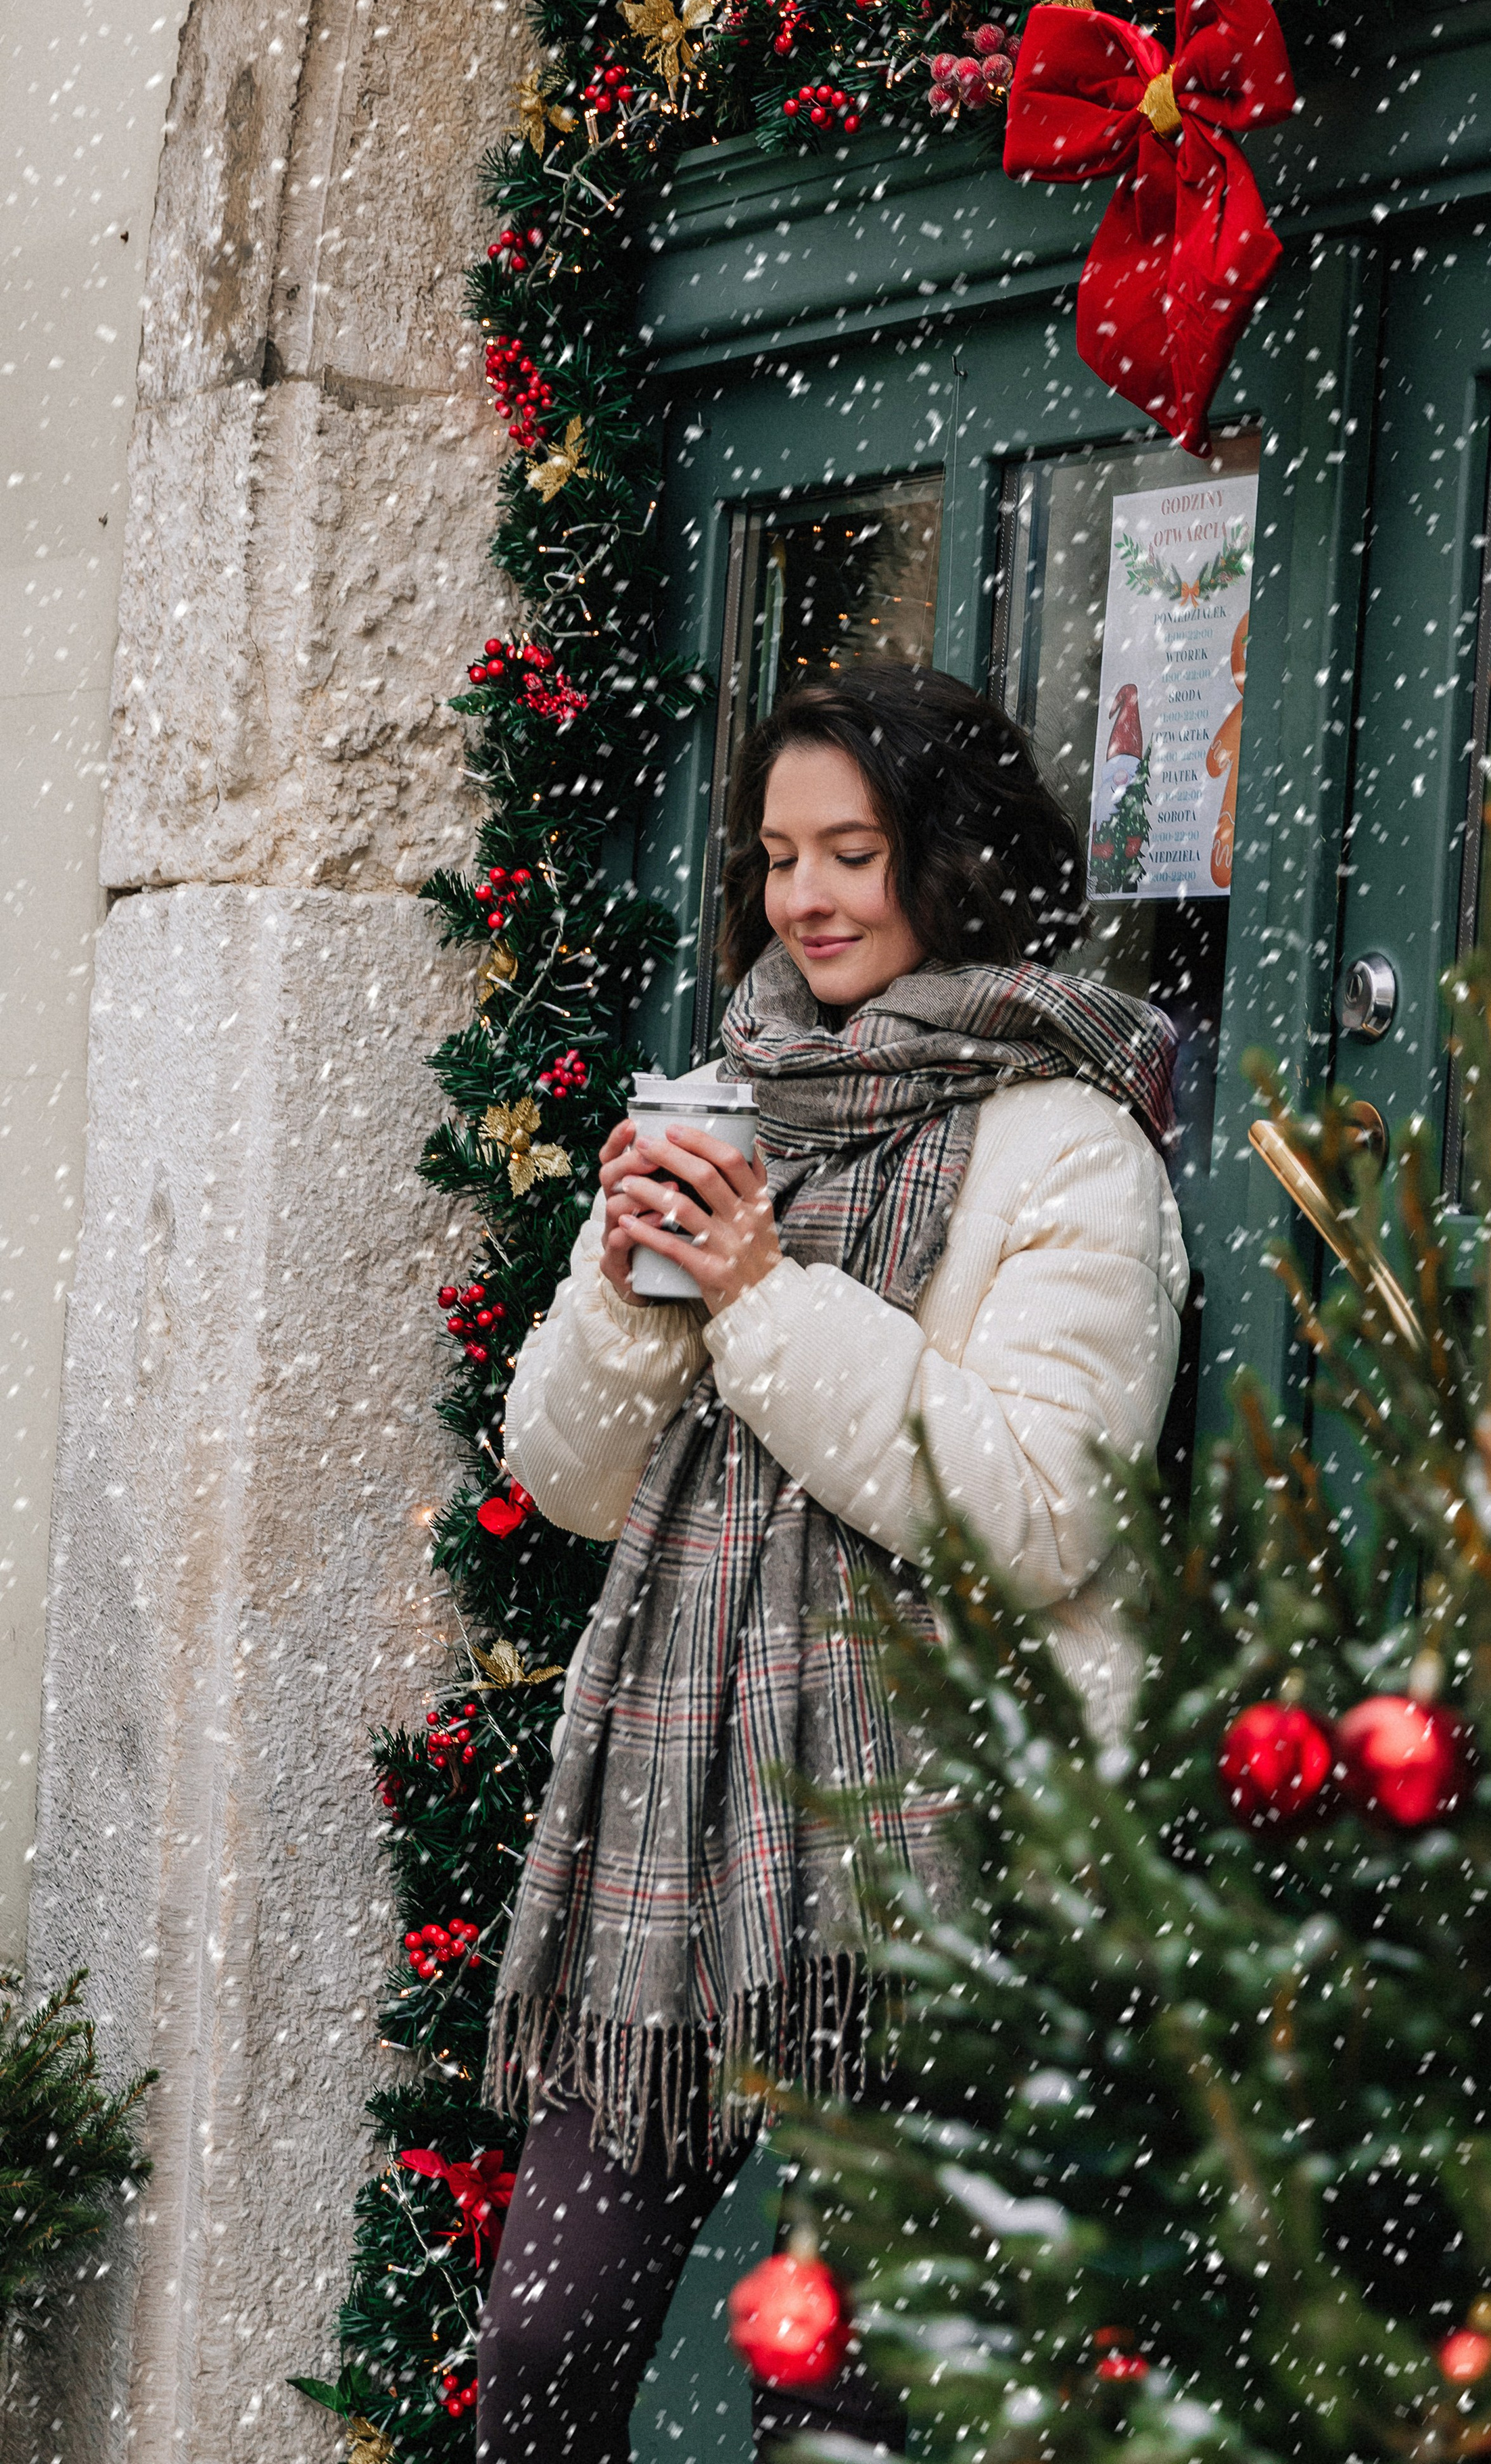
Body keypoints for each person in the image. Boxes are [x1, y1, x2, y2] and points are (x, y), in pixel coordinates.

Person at [475, 662, 1189, 2460]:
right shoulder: (728, 1105)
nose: (808, 897)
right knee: (544, 2343)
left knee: (869, 2402)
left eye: (854, 852)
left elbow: (1032, 1509)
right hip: (681, 1846)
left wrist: (763, 1302)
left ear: (950, 862)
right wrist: (638, 1293)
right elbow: (561, 1479)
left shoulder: (1072, 1147)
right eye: (784, 854)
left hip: (933, 1865)